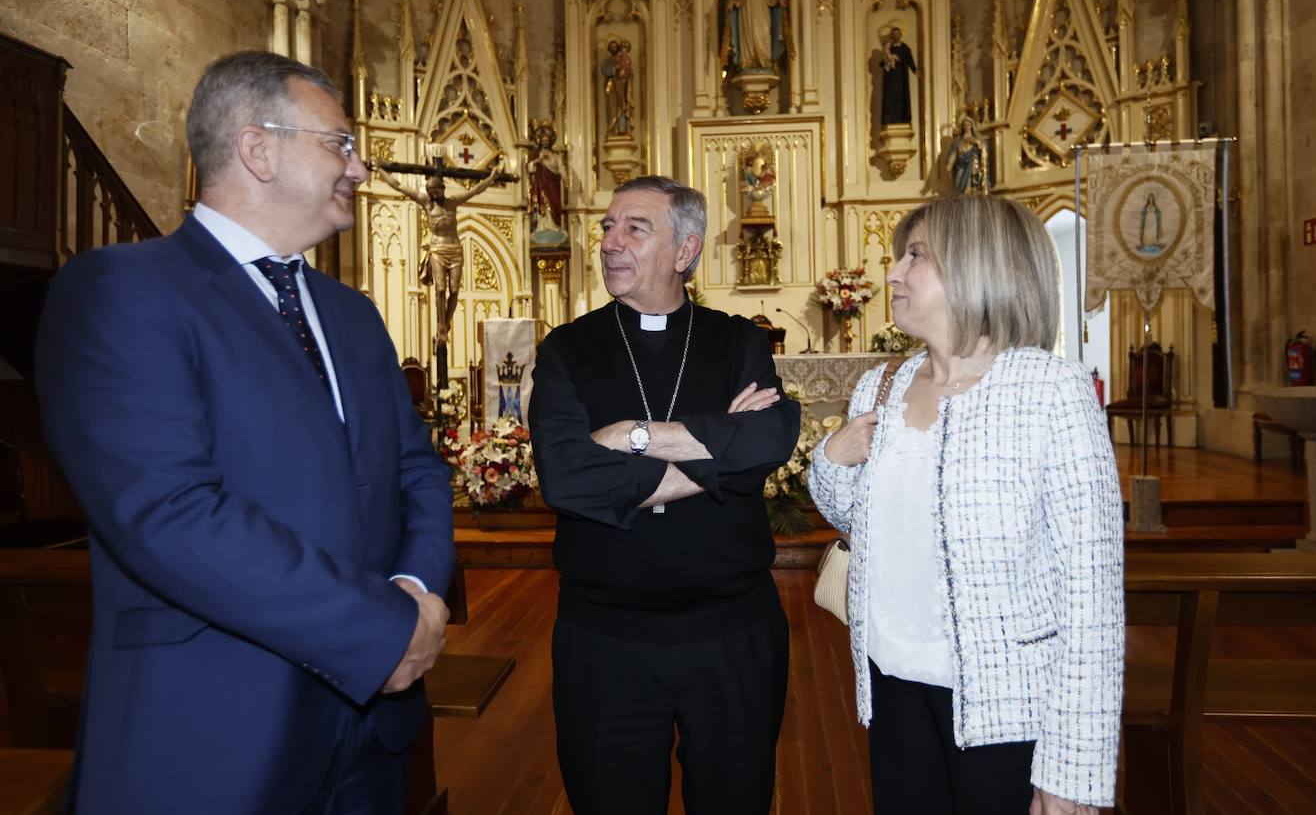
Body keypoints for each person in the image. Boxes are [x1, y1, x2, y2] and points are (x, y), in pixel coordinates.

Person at [35, 51, 455, 815]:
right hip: (216, 734)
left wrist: (417, 589)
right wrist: (383, 629)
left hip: (375, 736)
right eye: (340, 144)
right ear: (258, 149)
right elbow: (170, 514)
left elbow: (415, 471)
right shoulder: (122, 290)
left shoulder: (352, 313)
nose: (359, 169)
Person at [808, 196, 1123, 815]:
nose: (892, 273)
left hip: (1007, 706)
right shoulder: (883, 384)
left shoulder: (1048, 392)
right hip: (891, 686)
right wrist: (832, 459)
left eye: (915, 256)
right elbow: (858, 524)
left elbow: (1092, 597)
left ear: (979, 267)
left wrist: (1073, 774)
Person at [528, 175, 801, 814]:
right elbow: (565, 477)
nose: (610, 243)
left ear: (685, 251)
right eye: (607, 227)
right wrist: (714, 465)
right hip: (605, 640)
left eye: (634, 229)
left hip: (732, 633)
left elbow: (769, 438)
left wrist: (633, 437)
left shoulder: (738, 341)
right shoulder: (568, 349)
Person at [375, 156, 503, 344]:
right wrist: (380, 170)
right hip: (437, 249)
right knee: (441, 289)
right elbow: (398, 185)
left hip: (455, 249)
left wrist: (492, 177)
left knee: (455, 290)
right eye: (431, 192)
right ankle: (441, 326)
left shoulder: (453, 202)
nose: (434, 195)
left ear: (443, 189)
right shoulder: (426, 202)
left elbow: (475, 190)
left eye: (437, 191)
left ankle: (446, 323)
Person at [879, 26, 919, 125]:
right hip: (891, 78)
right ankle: (890, 119)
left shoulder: (905, 48)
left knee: (901, 97)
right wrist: (887, 62)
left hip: (902, 78)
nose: (896, 36)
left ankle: (902, 118)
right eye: (894, 34)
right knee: (891, 97)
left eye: (898, 34)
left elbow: (910, 60)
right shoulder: (889, 47)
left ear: (900, 35)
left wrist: (915, 70)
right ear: (892, 36)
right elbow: (883, 62)